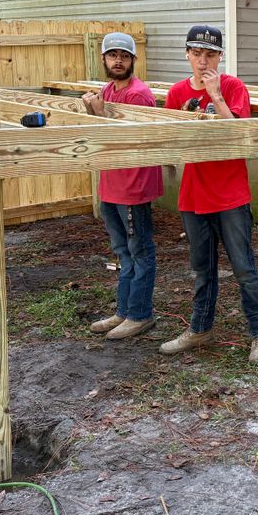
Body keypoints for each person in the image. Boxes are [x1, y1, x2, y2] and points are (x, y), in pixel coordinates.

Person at [158, 25, 258, 366]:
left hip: (230, 195)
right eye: (196, 53)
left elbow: (240, 137)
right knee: (202, 269)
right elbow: (171, 138)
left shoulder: (234, 87)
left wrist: (217, 96)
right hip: (194, 195)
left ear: (220, 56)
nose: (203, 60)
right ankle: (200, 329)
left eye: (210, 54)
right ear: (187, 55)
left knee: (244, 268)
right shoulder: (177, 92)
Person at [81, 31, 163, 340]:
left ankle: (140, 314)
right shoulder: (107, 90)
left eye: (124, 56)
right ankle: (124, 311)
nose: (118, 60)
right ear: (103, 59)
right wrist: (92, 111)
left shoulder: (138, 94)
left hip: (134, 185)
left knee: (140, 250)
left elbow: (133, 142)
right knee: (123, 252)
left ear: (133, 61)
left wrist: (100, 114)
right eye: (113, 55)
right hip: (111, 183)